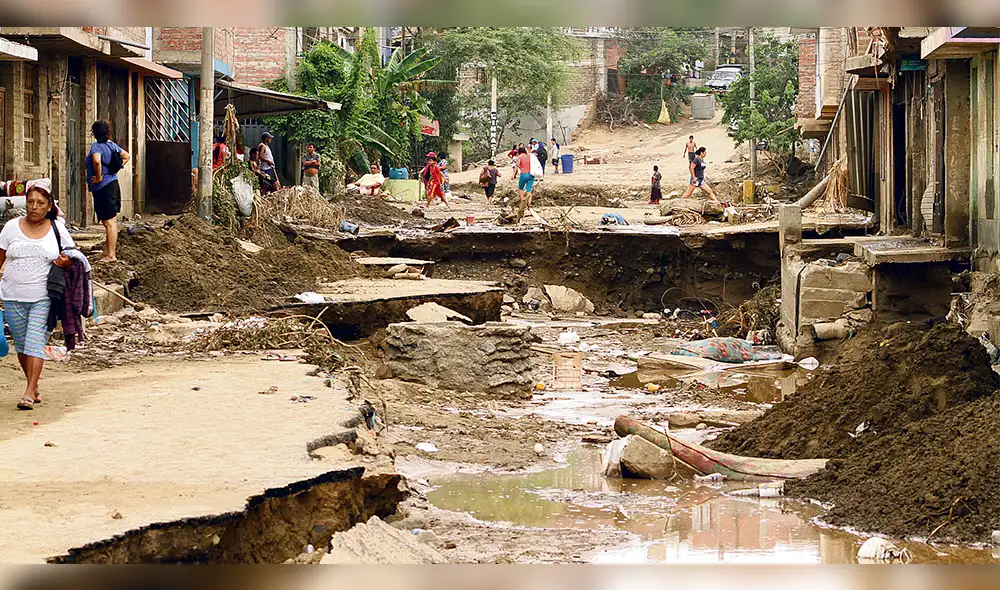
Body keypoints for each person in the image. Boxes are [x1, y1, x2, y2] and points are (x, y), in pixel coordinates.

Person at [0, 182, 74, 410]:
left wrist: (66, 261)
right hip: (12, 296)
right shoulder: (11, 228)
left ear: (49, 206)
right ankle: (33, 383)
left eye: (40, 203)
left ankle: (29, 392)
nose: (34, 207)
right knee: (22, 346)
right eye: (30, 202)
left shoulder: (57, 229)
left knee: (34, 342)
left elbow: (72, 255)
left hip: (43, 296)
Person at [86, 119, 129, 263]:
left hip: (104, 187)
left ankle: (111, 255)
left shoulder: (96, 147)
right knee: (108, 221)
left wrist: (98, 178)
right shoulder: (112, 146)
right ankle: (107, 251)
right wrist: (114, 169)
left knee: (110, 222)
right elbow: (126, 156)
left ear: (94, 133)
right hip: (113, 185)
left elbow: (97, 161)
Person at [516, 146, 535, 214]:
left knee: (521, 188)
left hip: (523, 174)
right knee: (529, 190)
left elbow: (517, 165)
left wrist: (521, 167)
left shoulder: (519, 157)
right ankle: (529, 205)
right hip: (531, 175)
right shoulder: (530, 156)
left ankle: (522, 202)